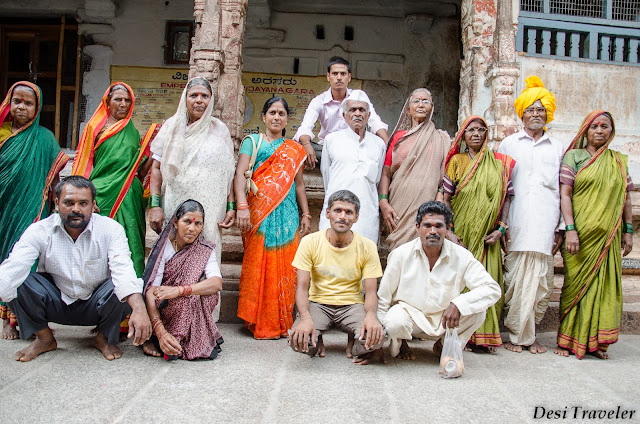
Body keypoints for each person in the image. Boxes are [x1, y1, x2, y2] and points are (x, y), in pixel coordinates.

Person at [0, 176, 151, 361]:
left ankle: (103, 338)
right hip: (55, 301)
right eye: (69, 203)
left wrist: (139, 308)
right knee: (16, 279)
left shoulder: (111, 229)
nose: (76, 209)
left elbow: (123, 270)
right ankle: (44, 338)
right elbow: (14, 266)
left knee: (126, 286)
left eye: (83, 203)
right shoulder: (39, 230)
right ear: (56, 203)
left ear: (93, 205)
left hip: (97, 304)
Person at [149, 77, 236, 320]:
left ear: (211, 100)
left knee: (207, 257)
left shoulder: (220, 129)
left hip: (210, 208)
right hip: (176, 204)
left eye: (204, 96)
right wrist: (155, 205)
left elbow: (229, 171)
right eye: (194, 95)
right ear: (185, 98)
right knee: (174, 255)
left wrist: (231, 206)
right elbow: (156, 169)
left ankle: (205, 320)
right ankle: (170, 318)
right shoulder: (171, 126)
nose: (199, 100)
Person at [377, 201, 501, 360]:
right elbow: (384, 297)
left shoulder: (461, 256)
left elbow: (492, 289)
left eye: (439, 226)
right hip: (410, 314)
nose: (433, 231)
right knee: (395, 322)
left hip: (445, 318)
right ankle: (400, 343)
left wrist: (459, 304)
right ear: (417, 227)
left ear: (448, 229)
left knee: (478, 312)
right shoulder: (401, 254)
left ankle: (443, 345)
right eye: (427, 225)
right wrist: (381, 337)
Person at [554, 111, 633, 360]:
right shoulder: (574, 157)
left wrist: (628, 230)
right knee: (574, 286)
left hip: (609, 235)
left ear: (612, 131)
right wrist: (570, 229)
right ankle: (568, 341)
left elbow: (626, 198)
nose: (599, 131)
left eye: (605, 126)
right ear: (585, 131)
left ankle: (597, 342)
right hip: (580, 235)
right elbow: (565, 194)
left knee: (605, 287)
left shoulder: (619, 161)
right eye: (594, 126)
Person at [497, 76, 564, 354]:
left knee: (541, 286)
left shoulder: (559, 147)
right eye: (530, 110)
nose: (535, 114)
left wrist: (562, 226)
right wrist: (501, 224)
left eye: (540, 109)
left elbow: (563, 189)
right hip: (516, 223)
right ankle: (516, 334)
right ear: (521, 113)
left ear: (548, 113)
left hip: (547, 223)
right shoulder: (508, 145)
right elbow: (500, 187)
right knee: (514, 282)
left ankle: (531, 335)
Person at [235, 96, 311, 339]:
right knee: (259, 263)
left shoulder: (294, 149)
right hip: (258, 214)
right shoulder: (252, 141)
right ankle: (257, 319)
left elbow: (299, 185)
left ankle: (280, 319)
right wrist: (242, 206)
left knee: (287, 266)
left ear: (287, 119)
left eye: (282, 113)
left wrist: (306, 213)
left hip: (287, 215)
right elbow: (239, 175)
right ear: (264, 116)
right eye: (272, 113)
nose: (277, 117)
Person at [0, 81, 69, 340]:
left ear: (37, 109)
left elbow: (54, 179)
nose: (21, 107)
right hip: (3, 209)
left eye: (28, 103)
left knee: (26, 263)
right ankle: (6, 319)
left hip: (30, 209)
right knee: (3, 259)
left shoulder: (44, 138)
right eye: (17, 101)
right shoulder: (2, 134)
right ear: (9, 102)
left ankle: (23, 318)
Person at [442, 115, 515, 352]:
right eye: (470, 130)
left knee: (487, 283)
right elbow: (446, 199)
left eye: (480, 130)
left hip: (487, 236)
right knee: (458, 283)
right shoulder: (456, 162)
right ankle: (456, 335)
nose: (475, 134)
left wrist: (501, 228)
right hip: (460, 234)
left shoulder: (499, 164)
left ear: (486, 133)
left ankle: (483, 338)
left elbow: (507, 198)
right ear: (462, 136)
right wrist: (449, 231)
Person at [289, 190, 385, 364]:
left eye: (349, 212)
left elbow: (371, 292)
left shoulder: (367, 246)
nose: (343, 216)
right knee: (299, 341)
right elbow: (302, 287)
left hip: (352, 306)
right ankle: (316, 339)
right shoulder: (310, 242)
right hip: (318, 304)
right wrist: (305, 318)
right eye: (337, 211)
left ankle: (355, 341)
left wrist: (371, 316)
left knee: (377, 339)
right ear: (328, 213)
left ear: (356, 217)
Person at [73, 82, 154, 278]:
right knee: (98, 245)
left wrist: (154, 150)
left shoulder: (133, 131)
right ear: (108, 102)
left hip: (129, 194)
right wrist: (82, 198)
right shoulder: (95, 127)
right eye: (118, 99)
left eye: (127, 100)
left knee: (131, 242)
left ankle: (130, 295)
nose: (123, 104)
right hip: (100, 195)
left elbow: (140, 172)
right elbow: (82, 164)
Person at [142, 199, 224, 360]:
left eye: (198, 224)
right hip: (165, 307)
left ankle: (187, 340)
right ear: (175, 222)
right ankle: (162, 337)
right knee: (184, 300)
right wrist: (160, 331)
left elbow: (216, 283)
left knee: (198, 296)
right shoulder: (163, 248)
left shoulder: (205, 249)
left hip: (185, 300)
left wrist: (180, 290)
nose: (192, 228)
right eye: (187, 221)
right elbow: (151, 291)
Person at [378, 88, 451, 251]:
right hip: (399, 207)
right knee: (399, 253)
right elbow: (385, 173)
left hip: (429, 206)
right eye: (416, 101)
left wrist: (439, 198)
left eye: (426, 101)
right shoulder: (398, 137)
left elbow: (446, 175)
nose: (421, 105)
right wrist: (383, 201)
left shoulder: (440, 138)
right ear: (408, 108)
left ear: (431, 107)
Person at [293, 56, 389, 168]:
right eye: (335, 74)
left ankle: (345, 160)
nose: (339, 78)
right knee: (298, 146)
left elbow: (375, 122)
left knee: (378, 145)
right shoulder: (319, 101)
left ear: (349, 77)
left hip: (355, 146)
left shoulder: (359, 97)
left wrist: (388, 143)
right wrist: (306, 145)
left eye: (343, 74)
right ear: (328, 76)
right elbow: (305, 127)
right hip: (327, 149)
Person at [319, 90, 386, 243]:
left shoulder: (378, 144)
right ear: (344, 116)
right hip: (335, 213)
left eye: (362, 110)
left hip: (366, 214)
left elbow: (377, 179)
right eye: (352, 110)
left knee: (363, 259)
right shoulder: (332, 140)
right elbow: (326, 176)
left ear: (368, 116)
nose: (357, 114)